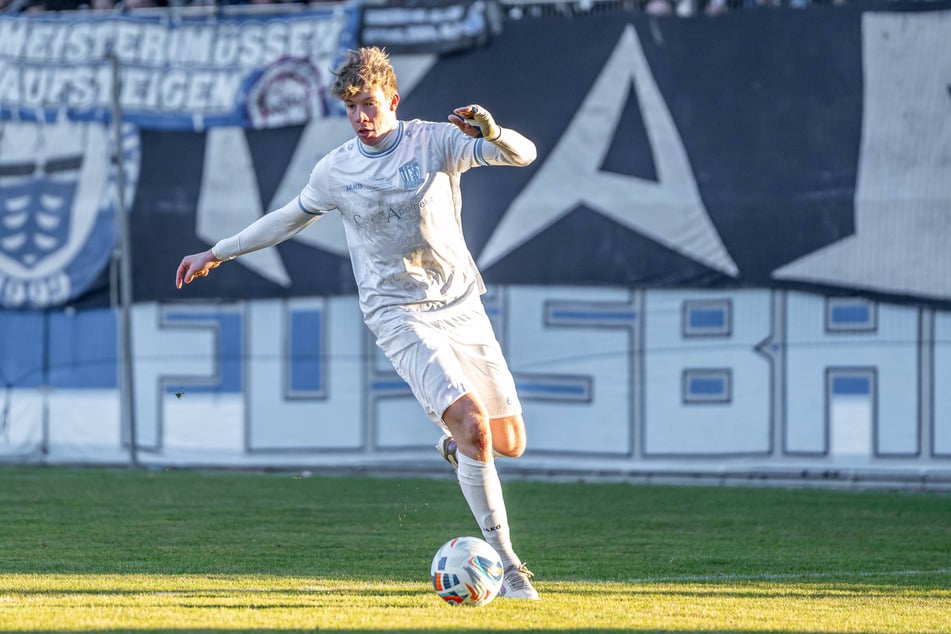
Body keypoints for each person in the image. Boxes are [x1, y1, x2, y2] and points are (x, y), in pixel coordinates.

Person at [175, 46, 539, 600]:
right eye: (350, 108)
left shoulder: (435, 141)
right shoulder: (337, 168)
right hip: (396, 312)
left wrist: (492, 132)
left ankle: (455, 447)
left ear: (391, 99)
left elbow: (524, 155)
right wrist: (218, 252)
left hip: (462, 304)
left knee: (509, 441)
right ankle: (510, 566)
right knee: (474, 427)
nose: (361, 118)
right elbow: (287, 218)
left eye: (368, 104)